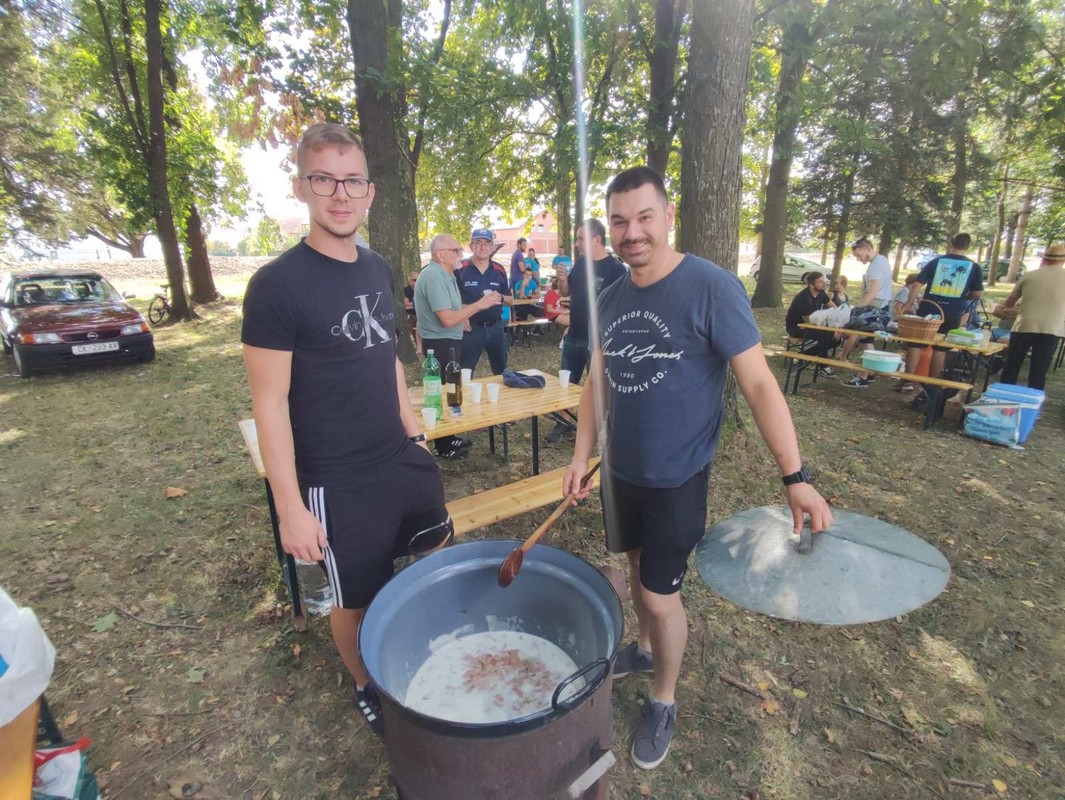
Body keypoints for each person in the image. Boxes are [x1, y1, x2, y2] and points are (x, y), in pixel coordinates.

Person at [564, 166, 832, 771]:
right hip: (620, 474)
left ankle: (663, 698)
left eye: (644, 217)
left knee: (661, 596)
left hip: (677, 477)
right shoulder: (611, 295)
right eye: (620, 221)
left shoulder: (711, 287)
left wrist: (796, 476)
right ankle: (639, 647)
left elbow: (760, 384)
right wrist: (581, 456)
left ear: (667, 214)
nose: (632, 232)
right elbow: (594, 383)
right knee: (634, 567)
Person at [241, 123, 454, 738]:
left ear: (369, 191)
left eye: (352, 179)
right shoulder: (276, 287)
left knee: (431, 559)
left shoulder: (377, 267)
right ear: (302, 187)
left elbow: (385, 354)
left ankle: (420, 647)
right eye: (324, 179)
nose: (340, 193)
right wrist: (289, 508)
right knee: (354, 599)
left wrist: (414, 434)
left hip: (400, 459)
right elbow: (269, 404)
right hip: (336, 480)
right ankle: (367, 684)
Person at [415, 234, 503, 458]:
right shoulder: (434, 276)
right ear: (440, 254)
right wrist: (479, 305)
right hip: (439, 343)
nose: (460, 254)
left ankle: (449, 437)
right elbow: (446, 318)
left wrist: (465, 312)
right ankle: (443, 447)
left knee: (451, 389)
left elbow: (453, 309)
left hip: (450, 340)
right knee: (444, 391)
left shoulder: (447, 275)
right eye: (455, 251)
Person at [545, 219, 627, 443]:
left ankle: (597, 431)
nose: (578, 244)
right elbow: (566, 292)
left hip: (599, 342)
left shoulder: (616, 270)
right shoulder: (581, 265)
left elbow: (621, 306)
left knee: (598, 388)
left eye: (581, 239)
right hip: (574, 335)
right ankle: (563, 423)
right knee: (566, 381)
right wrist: (562, 280)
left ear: (597, 240)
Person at [902, 232, 983, 378]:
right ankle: (932, 383)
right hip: (953, 312)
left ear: (951, 243)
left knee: (916, 344)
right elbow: (978, 294)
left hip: (929, 308)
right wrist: (964, 296)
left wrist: (909, 304)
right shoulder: (974, 267)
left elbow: (917, 284)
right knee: (941, 348)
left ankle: (907, 379)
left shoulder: (936, 262)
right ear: (968, 246)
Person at [999, 243, 1065, 391]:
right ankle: (1031, 402)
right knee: (1038, 372)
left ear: (1044, 259)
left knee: (1012, 366)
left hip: (1024, 325)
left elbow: (1010, 302)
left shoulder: (1029, 275)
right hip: (1052, 329)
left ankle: (1002, 397)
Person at [840, 237, 894, 387]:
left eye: (859, 255)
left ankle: (863, 377)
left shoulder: (876, 266)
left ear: (867, 249)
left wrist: (858, 309)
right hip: (879, 305)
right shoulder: (881, 260)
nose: (858, 259)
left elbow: (872, 292)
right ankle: (869, 373)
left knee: (866, 340)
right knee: (866, 340)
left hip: (875, 307)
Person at [456, 228, 512, 374]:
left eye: (487, 243)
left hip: (496, 328)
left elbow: (510, 299)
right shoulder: (460, 269)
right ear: (471, 246)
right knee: (465, 373)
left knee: (502, 373)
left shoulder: (499, 269)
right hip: (470, 330)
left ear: (492, 247)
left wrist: (499, 297)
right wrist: (460, 315)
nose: (482, 247)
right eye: (478, 243)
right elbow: (449, 298)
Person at [785, 271, 836, 370]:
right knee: (824, 335)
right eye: (820, 282)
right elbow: (809, 321)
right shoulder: (803, 298)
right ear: (812, 285)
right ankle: (823, 367)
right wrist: (827, 325)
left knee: (836, 339)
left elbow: (834, 308)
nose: (823, 283)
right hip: (797, 328)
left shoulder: (821, 293)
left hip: (812, 326)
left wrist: (836, 326)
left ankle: (803, 356)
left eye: (823, 280)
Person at [403, 271, 420, 355]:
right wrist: (417, 304)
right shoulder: (406, 290)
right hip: (411, 315)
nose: (417, 281)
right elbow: (405, 303)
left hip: (421, 314)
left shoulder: (421, 288)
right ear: (410, 281)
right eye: (414, 280)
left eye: (418, 279)